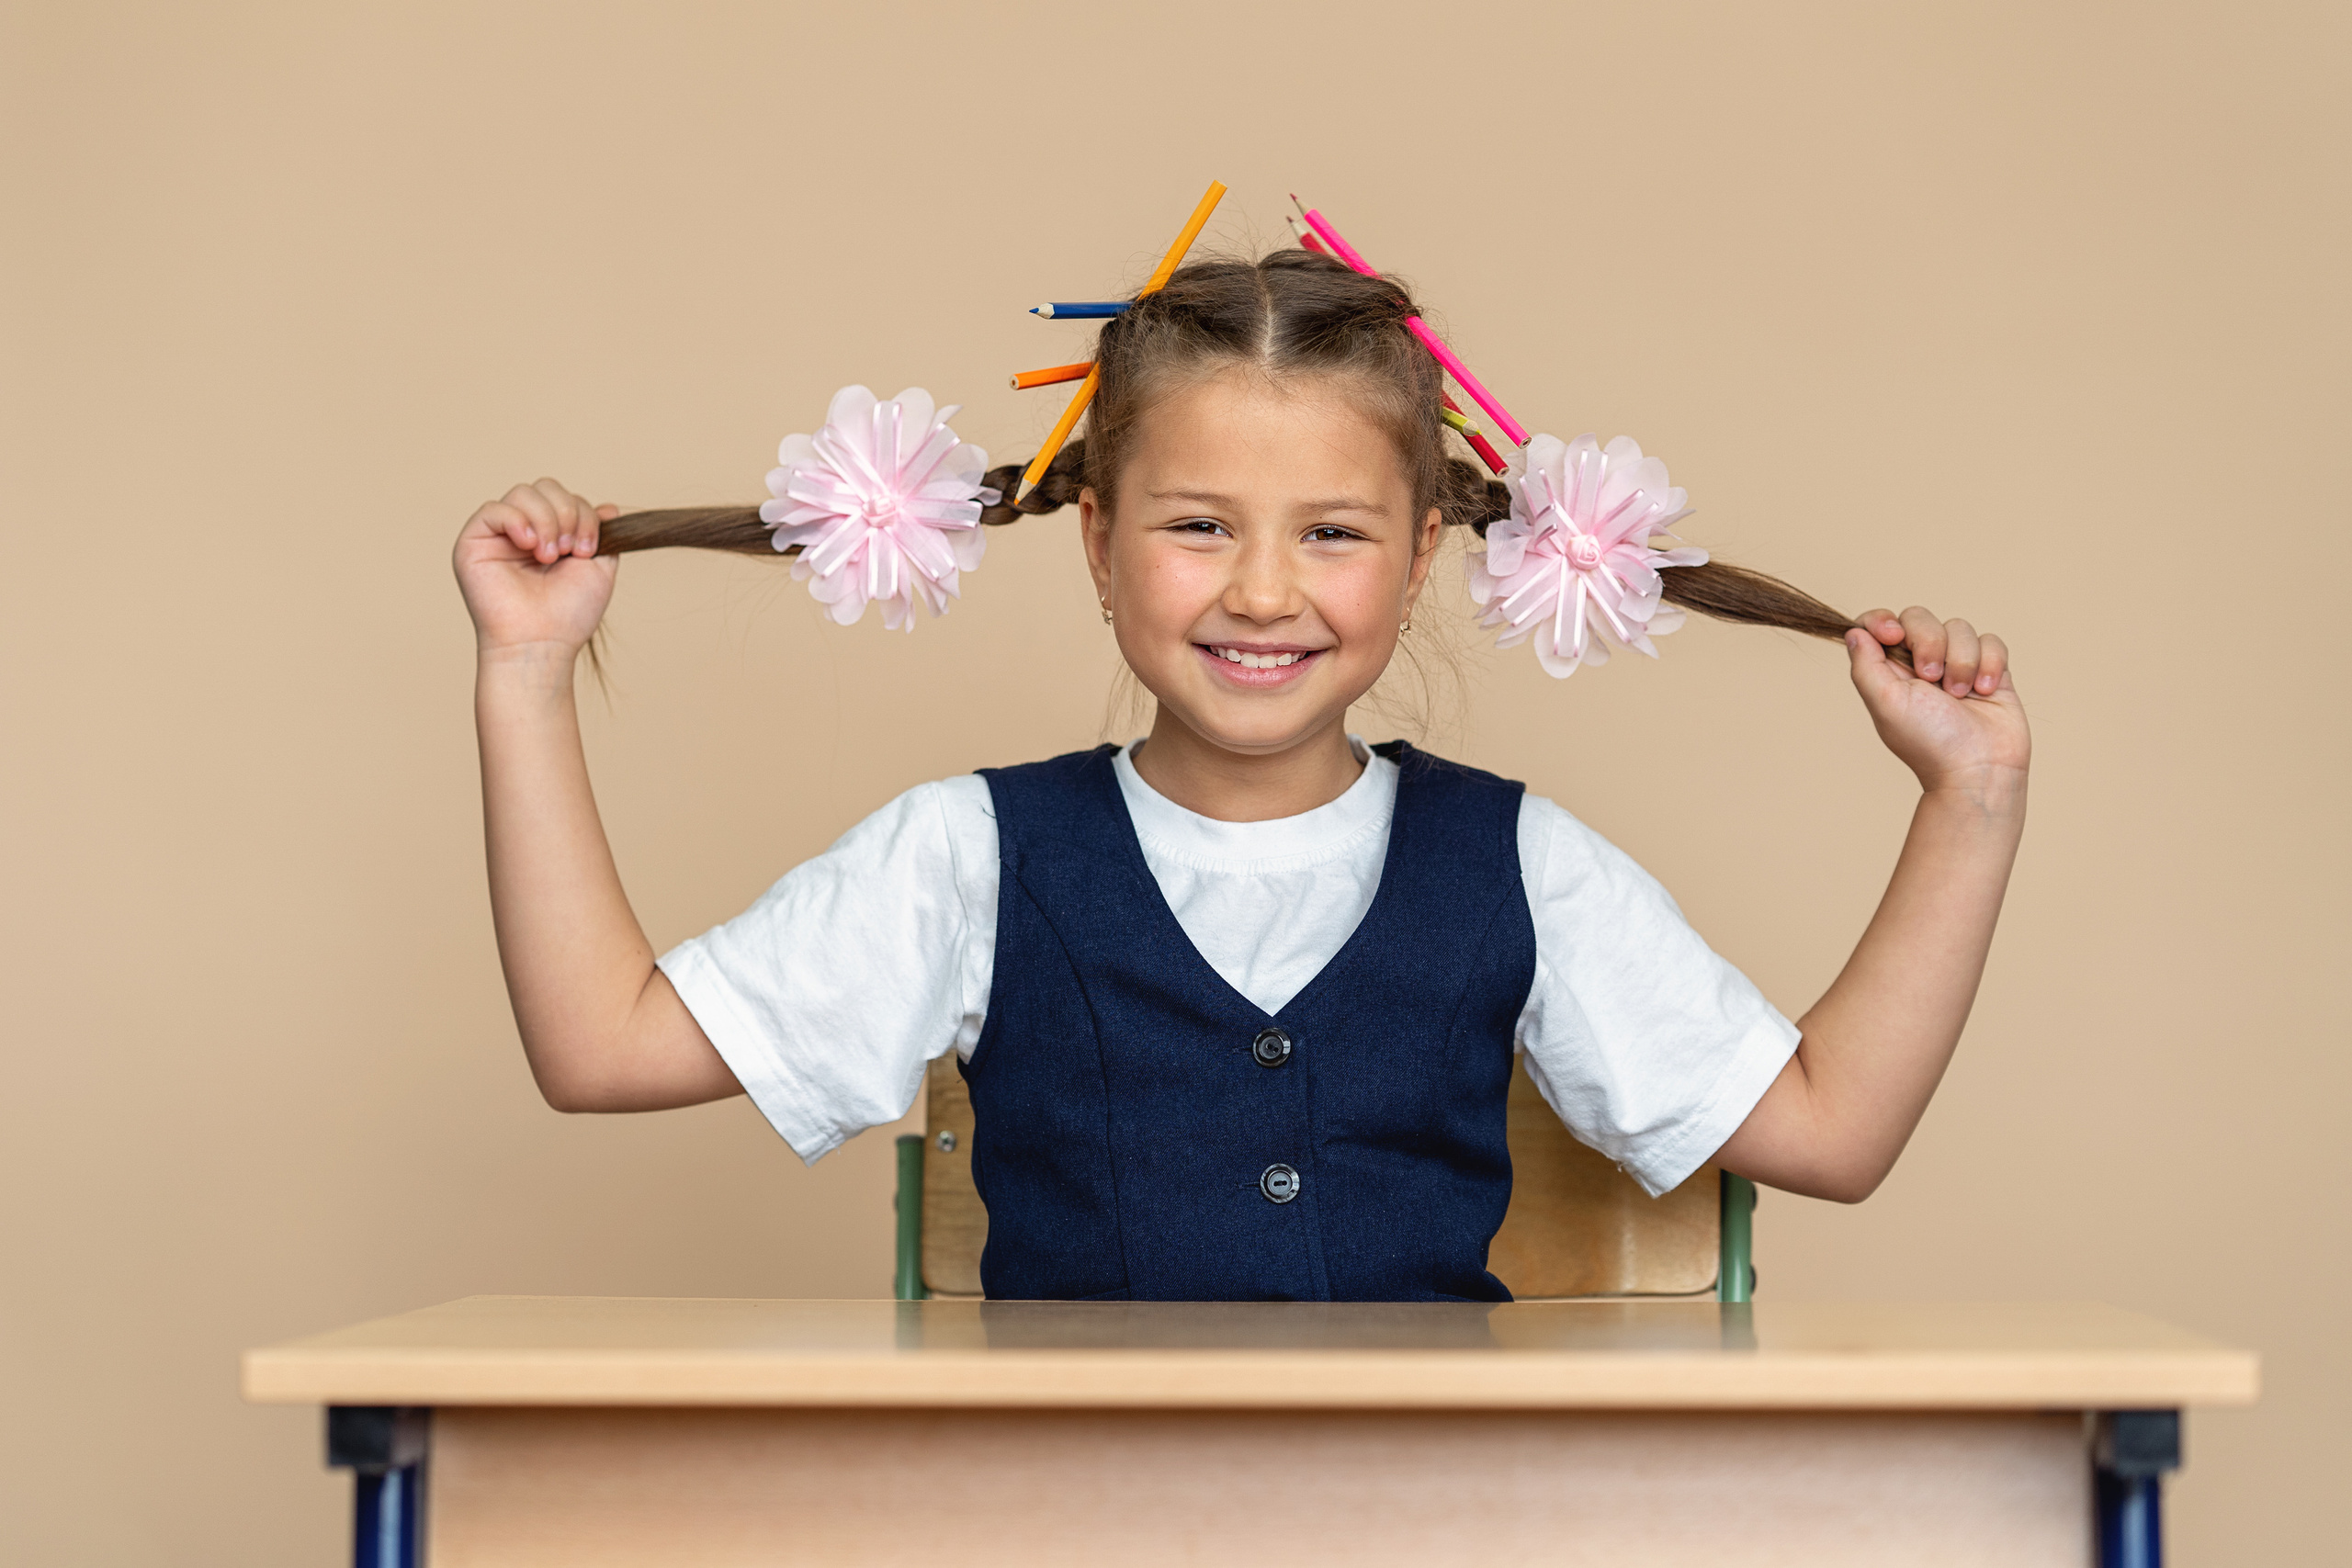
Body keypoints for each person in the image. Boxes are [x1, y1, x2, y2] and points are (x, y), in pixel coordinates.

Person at [452, 250, 2029, 1302]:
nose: (1263, 592)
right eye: (1198, 524)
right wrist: (527, 669)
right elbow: (602, 1047)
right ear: (1095, 540)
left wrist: (1970, 799)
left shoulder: (1519, 866)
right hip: (1071, 1528)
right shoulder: (969, 857)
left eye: (1330, 533)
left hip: (1429, 1530)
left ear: (1421, 558)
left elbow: (1833, 1134)